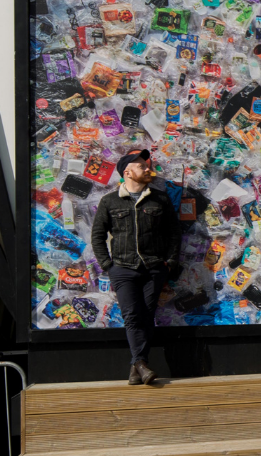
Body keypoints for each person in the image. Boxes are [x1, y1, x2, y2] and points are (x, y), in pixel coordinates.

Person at [90, 149, 181, 385]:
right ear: (127, 172)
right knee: (132, 316)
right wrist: (108, 266)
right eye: (142, 166)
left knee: (147, 314)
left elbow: (174, 233)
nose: (148, 169)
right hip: (122, 268)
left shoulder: (160, 199)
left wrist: (169, 262)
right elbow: (97, 237)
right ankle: (140, 363)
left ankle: (136, 367)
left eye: (147, 165)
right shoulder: (109, 201)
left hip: (153, 267)